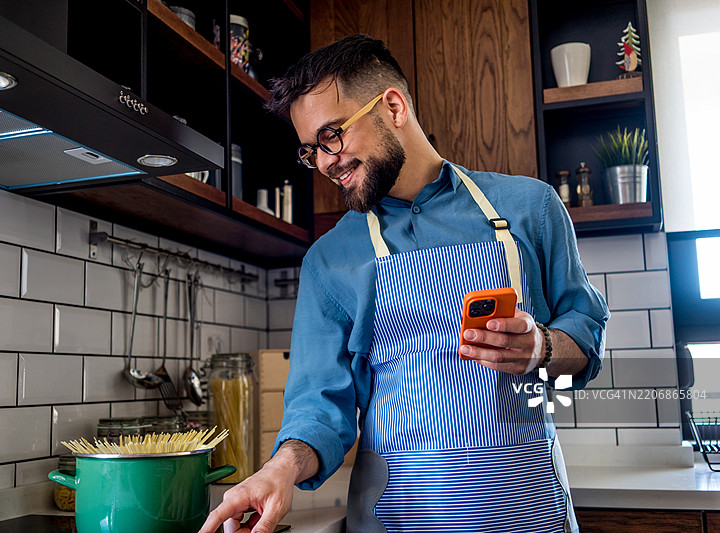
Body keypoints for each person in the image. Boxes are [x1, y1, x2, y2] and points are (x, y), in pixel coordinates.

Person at [200, 34, 609, 533]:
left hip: (530, 515)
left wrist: (540, 347)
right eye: (311, 151)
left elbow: (585, 337)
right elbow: (318, 408)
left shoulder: (531, 208)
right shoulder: (329, 260)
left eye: (332, 135)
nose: (326, 162)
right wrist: (278, 470)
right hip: (395, 519)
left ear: (392, 106)